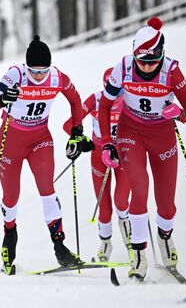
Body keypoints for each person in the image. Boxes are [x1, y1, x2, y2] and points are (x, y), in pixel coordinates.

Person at [99, 17, 186, 280]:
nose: (145, 66)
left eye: (152, 62)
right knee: (139, 188)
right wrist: (107, 144)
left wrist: (179, 113)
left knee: (166, 204)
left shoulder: (171, 71)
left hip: (162, 135)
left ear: (162, 56)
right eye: (141, 61)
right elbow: (105, 105)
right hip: (130, 131)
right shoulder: (122, 67)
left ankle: (165, 238)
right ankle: (139, 255)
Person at [0, 35, 94, 274]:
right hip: (11, 139)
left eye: (43, 71)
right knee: (11, 195)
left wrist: (76, 130)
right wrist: (3, 98)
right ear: (26, 67)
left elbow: (76, 101)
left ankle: (60, 247)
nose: (38, 76)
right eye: (34, 71)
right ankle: (9, 236)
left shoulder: (57, 77)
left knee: (47, 186)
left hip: (40, 139)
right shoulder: (15, 74)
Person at [63, 68, 131, 262]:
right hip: (99, 154)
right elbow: (69, 124)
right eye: (111, 89)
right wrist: (83, 140)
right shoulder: (96, 99)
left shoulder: (130, 98)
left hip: (124, 153)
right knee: (104, 205)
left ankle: (132, 245)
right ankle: (105, 244)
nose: (115, 94)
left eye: (118, 90)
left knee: (121, 200)